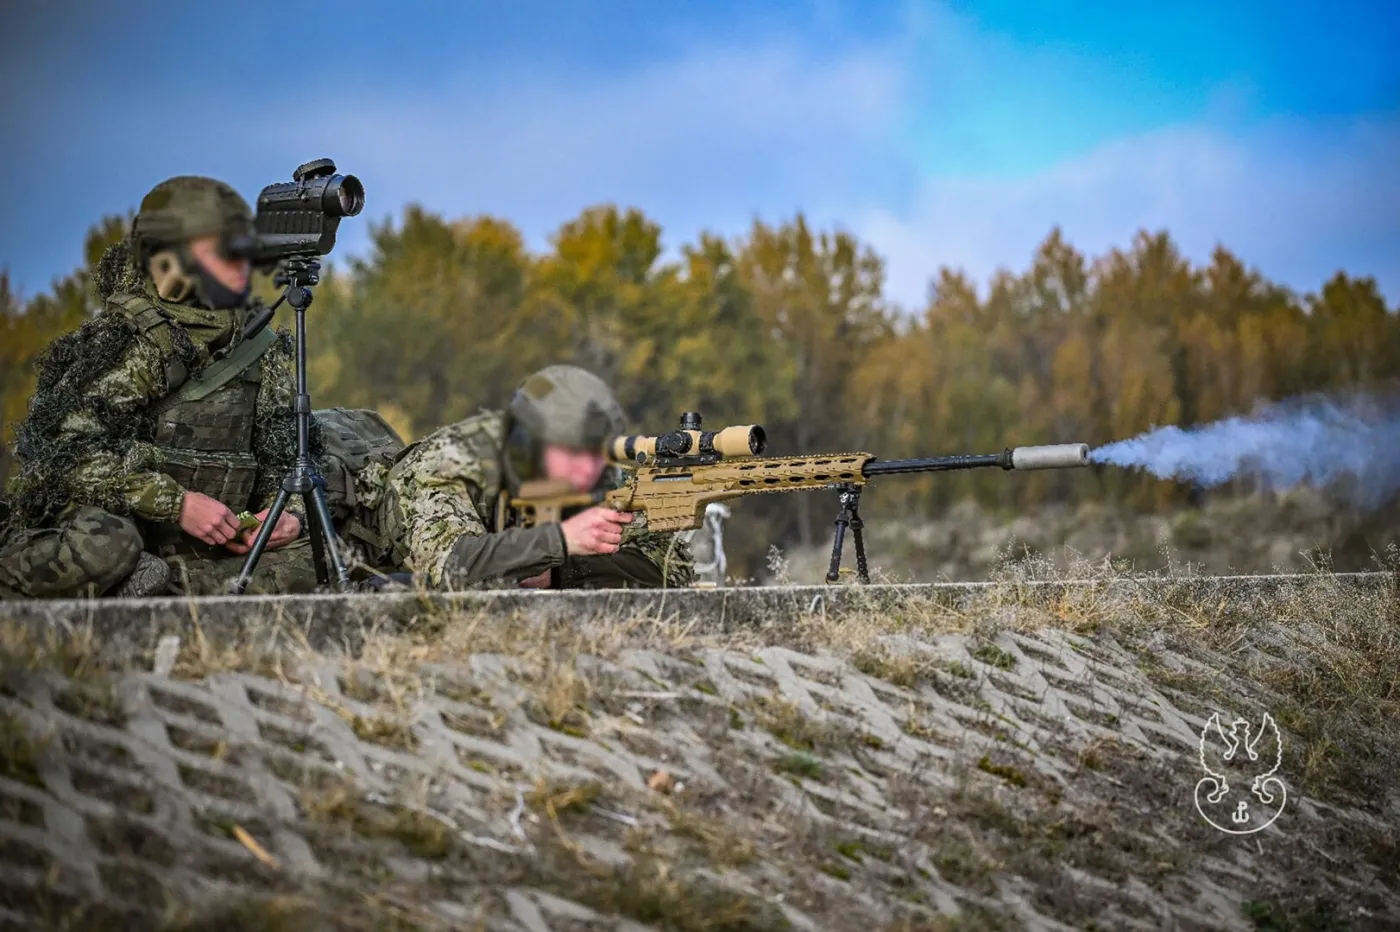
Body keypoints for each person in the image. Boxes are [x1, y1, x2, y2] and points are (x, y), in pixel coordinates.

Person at [2, 175, 324, 597]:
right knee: (107, 546)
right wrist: (177, 503)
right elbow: (67, 453)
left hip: (209, 541)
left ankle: (164, 588)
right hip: (121, 525)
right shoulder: (125, 341)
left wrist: (286, 515)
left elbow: (284, 454)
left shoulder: (256, 344)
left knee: (315, 557)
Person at [352, 365, 694, 590]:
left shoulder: (589, 467)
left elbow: (673, 567)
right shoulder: (446, 463)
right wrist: (557, 542)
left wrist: (560, 571)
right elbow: (451, 567)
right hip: (372, 574)